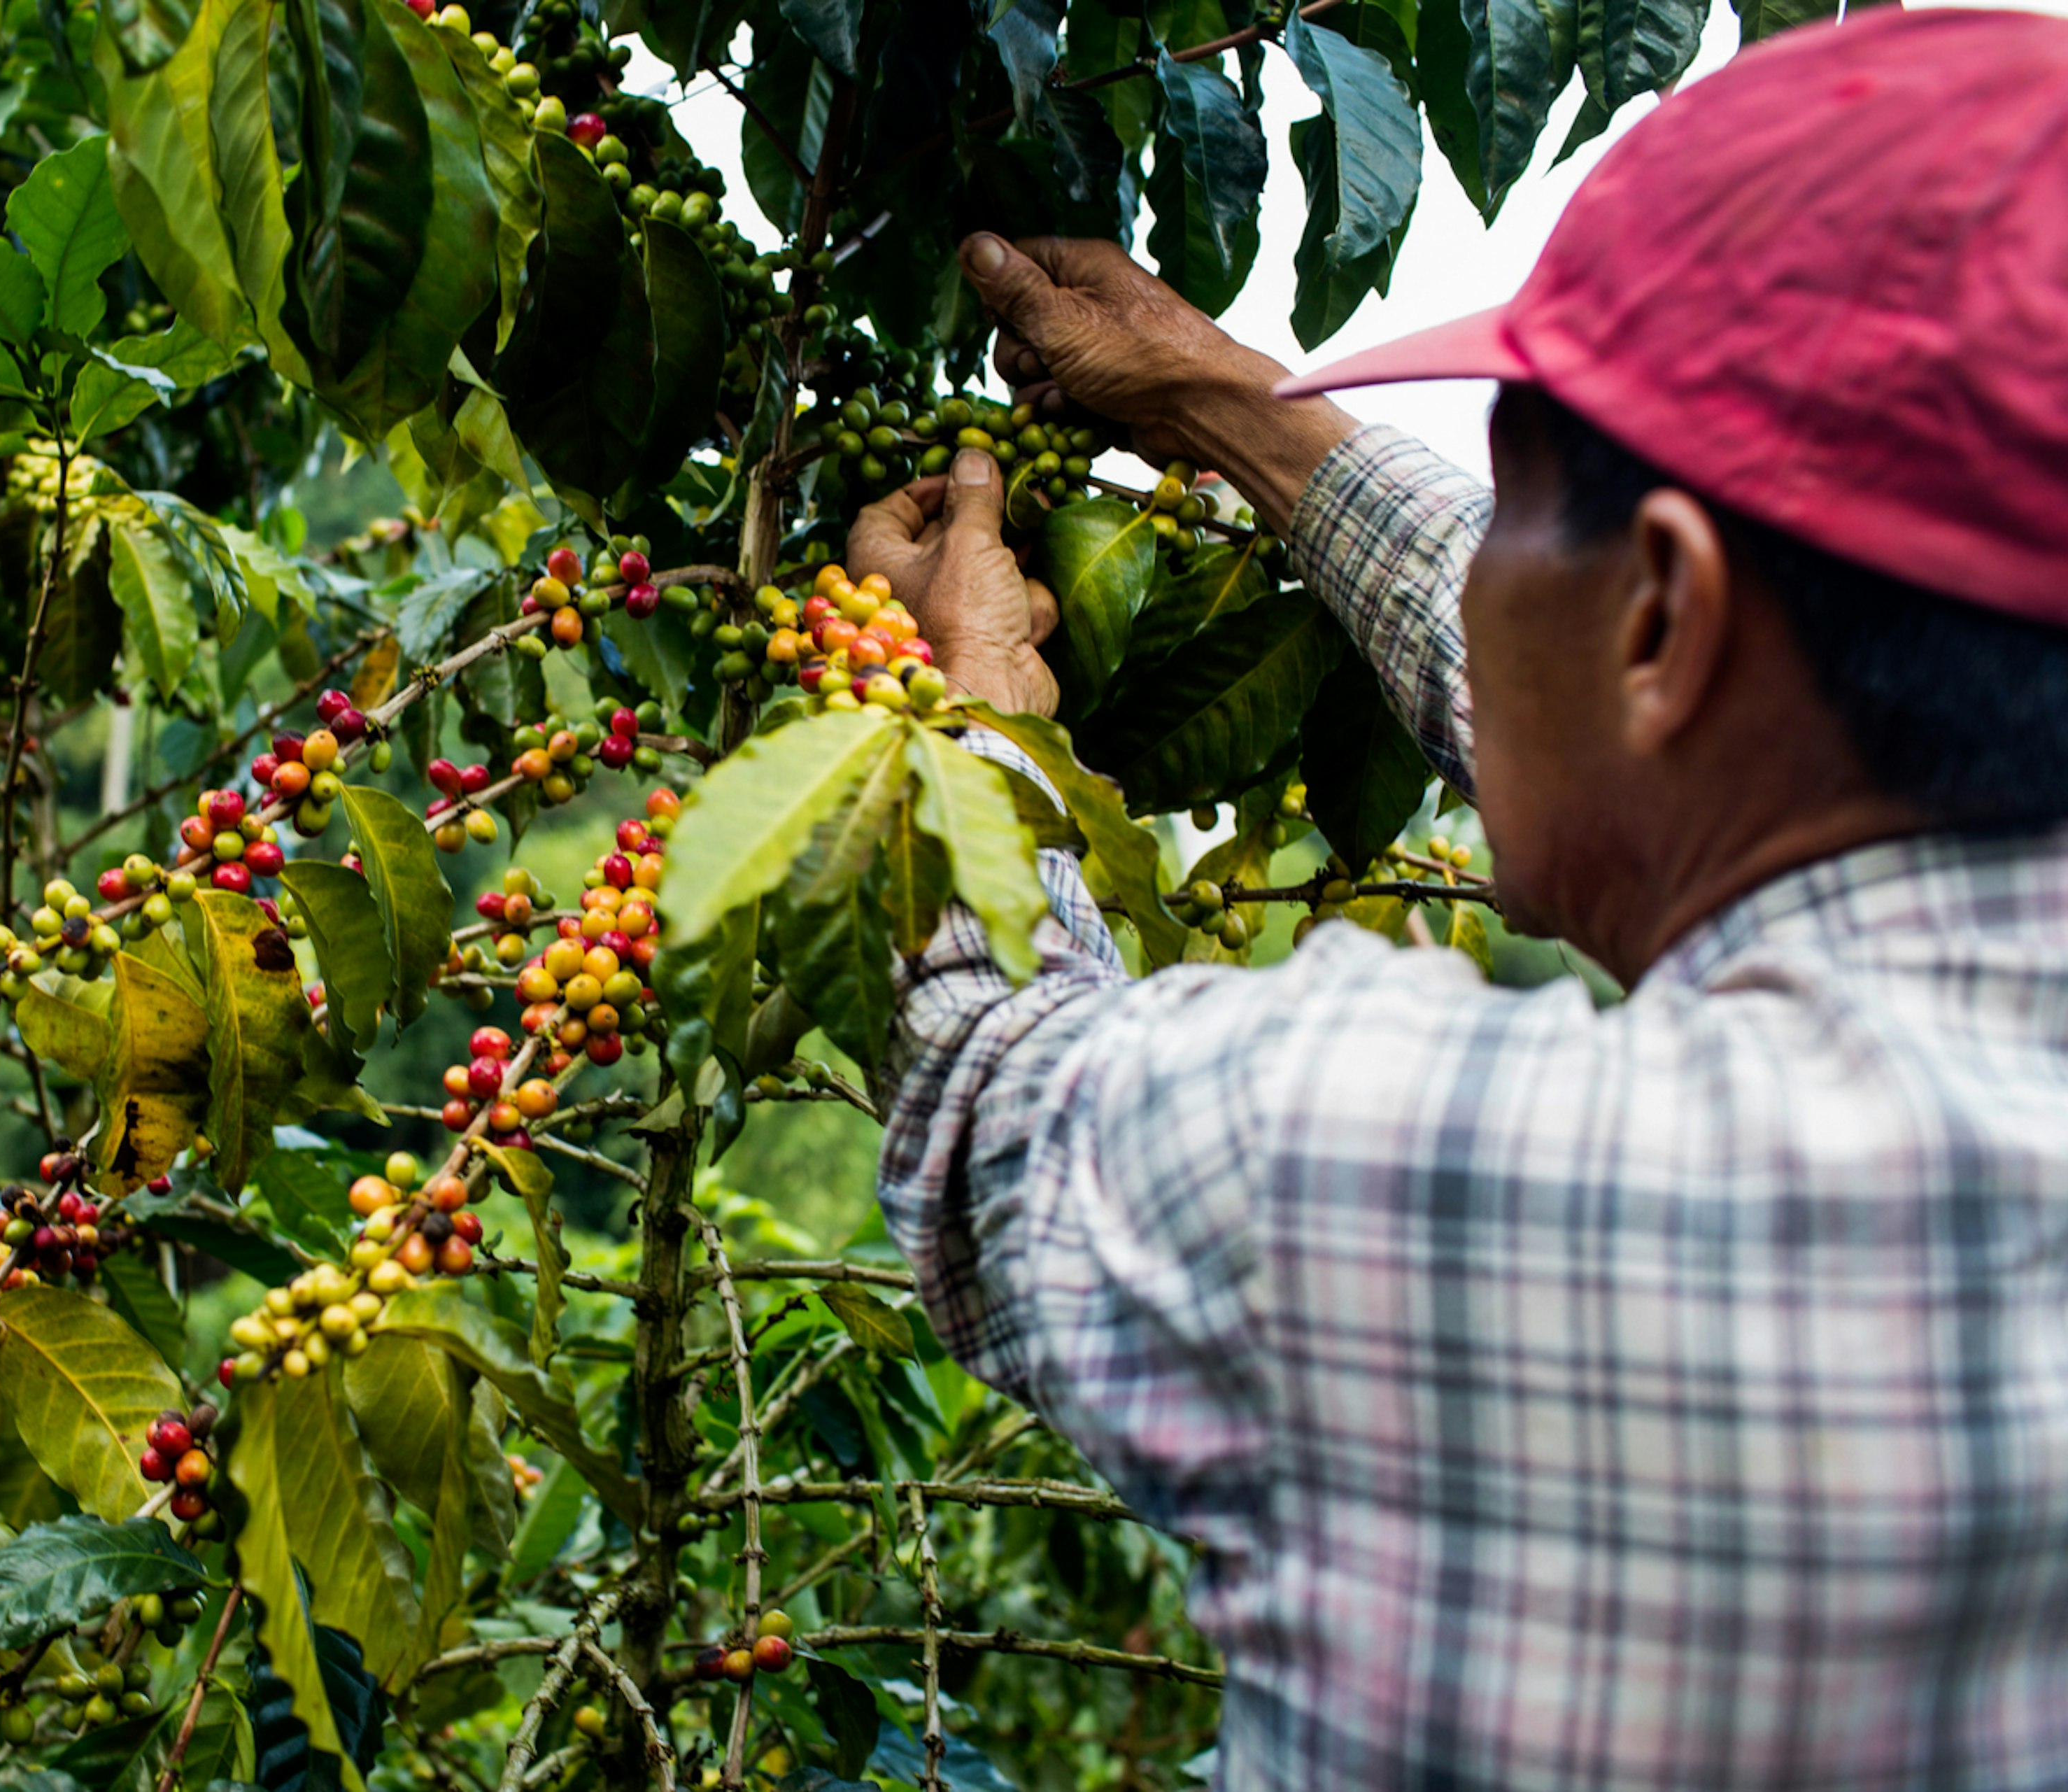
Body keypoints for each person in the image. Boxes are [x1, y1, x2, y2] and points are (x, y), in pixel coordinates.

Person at [846, 9, 2068, 1787]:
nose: (1487, 570)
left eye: (1516, 506)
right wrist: (1229, 408)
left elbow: (990, 1108)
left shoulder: (1438, 1182)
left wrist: (963, 736)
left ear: (1664, 617)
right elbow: (1644, 707)